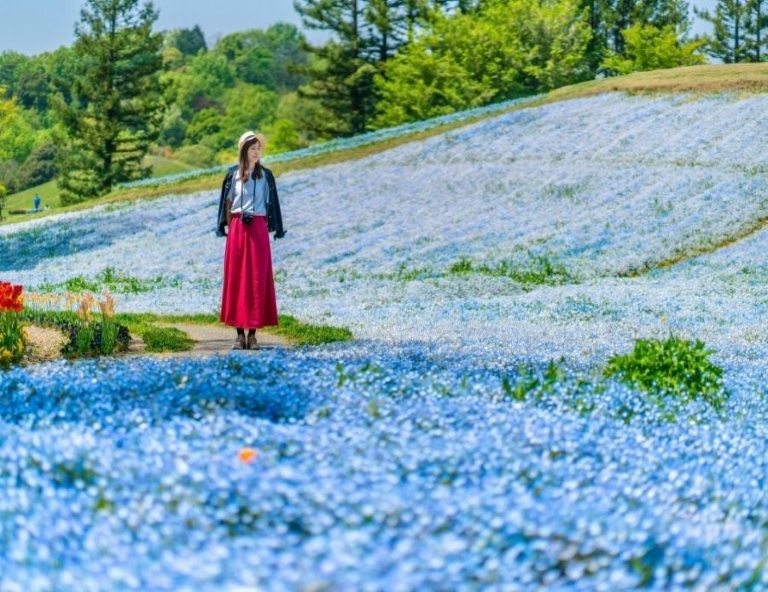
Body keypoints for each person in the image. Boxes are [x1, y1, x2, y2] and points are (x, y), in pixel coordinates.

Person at [216, 131, 286, 350]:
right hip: (238, 227)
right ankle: (239, 335)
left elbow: (271, 202)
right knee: (237, 278)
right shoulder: (232, 175)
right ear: (244, 150)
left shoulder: (266, 175)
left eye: (258, 148)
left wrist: (271, 226)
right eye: (252, 148)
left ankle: (253, 335)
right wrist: (231, 226)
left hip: (257, 228)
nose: (256, 152)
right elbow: (227, 204)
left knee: (256, 278)